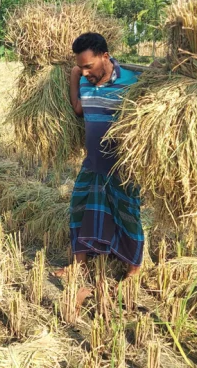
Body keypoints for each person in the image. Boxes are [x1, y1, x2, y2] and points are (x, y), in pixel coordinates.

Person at [54, 32, 144, 296]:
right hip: (93, 162)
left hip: (122, 167)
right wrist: (74, 76)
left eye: (88, 66)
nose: (84, 73)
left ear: (106, 57)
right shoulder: (84, 81)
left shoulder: (132, 82)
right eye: (80, 67)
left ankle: (133, 271)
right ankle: (78, 264)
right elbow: (79, 109)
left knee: (128, 216)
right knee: (80, 208)